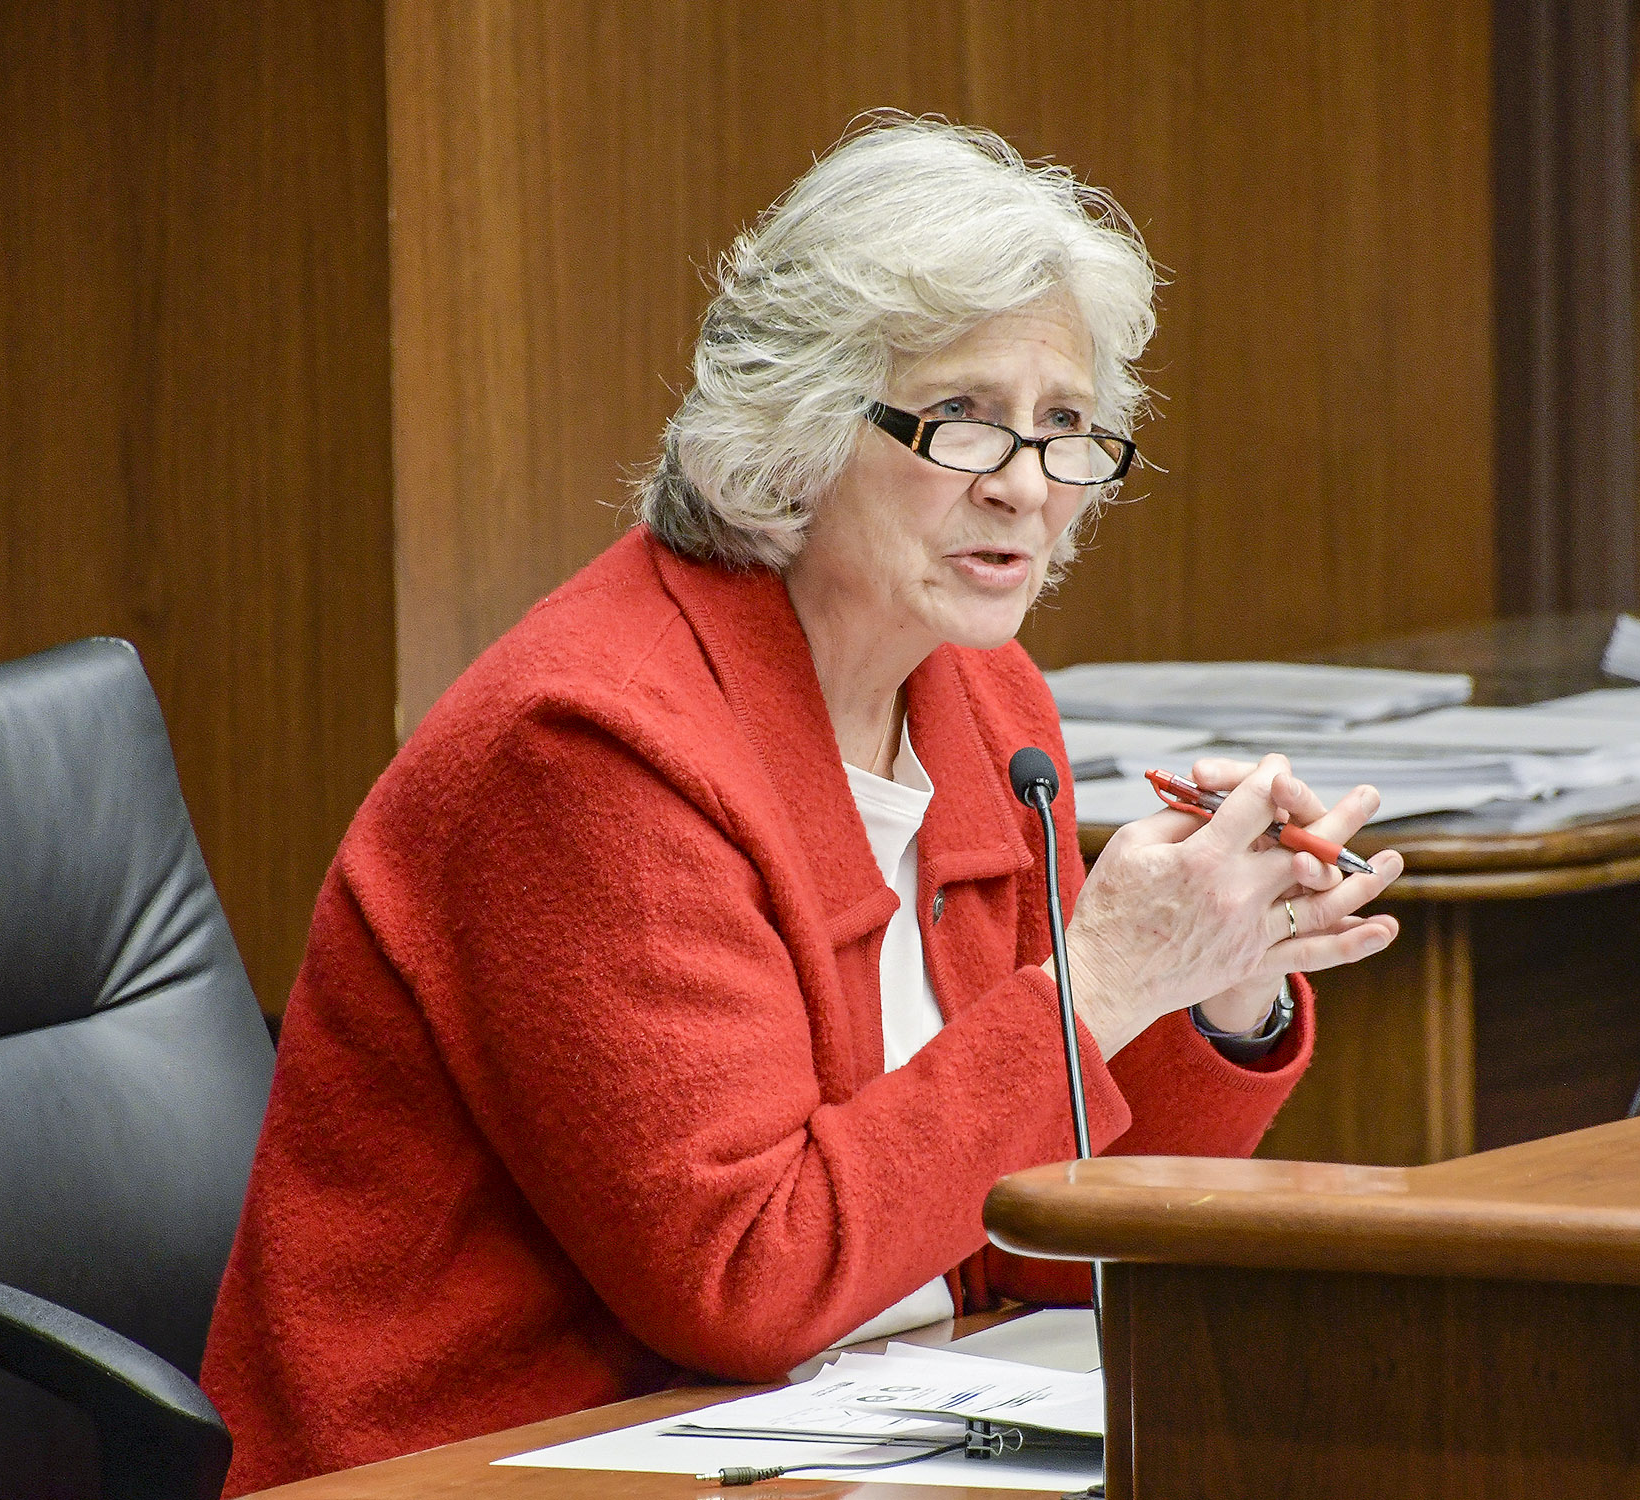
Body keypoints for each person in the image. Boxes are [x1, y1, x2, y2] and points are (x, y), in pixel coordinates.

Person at [200, 116, 1404, 1492]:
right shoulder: (591, 744)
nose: (1025, 483)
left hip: (845, 1435)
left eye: (1065, 425)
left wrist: (1211, 986)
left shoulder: (987, 704)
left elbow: (1033, 1240)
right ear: (801, 425)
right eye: (964, 419)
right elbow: (743, 1281)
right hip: (495, 1456)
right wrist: (1097, 982)